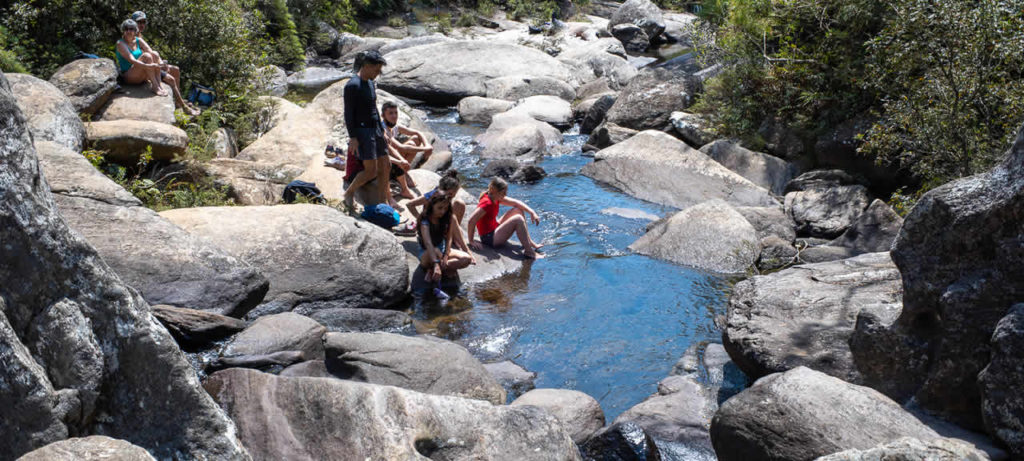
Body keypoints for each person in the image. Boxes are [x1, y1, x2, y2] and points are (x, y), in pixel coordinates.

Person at [119, 13, 198, 115]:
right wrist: (155, 65)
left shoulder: (139, 37)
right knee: (171, 79)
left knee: (175, 69)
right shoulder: (129, 37)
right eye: (139, 22)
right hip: (142, 68)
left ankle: (178, 101)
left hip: (149, 65)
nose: (142, 24)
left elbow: (151, 52)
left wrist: (161, 63)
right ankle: (182, 105)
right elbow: (139, 58)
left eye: (144, 22)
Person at [342, 51, 390, 211]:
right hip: (362, 131)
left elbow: (373, 107)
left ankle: (383, 201)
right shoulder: (352, 85)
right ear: (367, 66)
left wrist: (381, 129)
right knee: (371, 171)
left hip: (375, 129)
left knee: (386, 164)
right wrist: (353, 137)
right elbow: (348, 113)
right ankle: (349, 193)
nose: (378, 74)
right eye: (376, 70)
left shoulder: (370, 83)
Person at [467, 177, 544, 259]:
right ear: (493, 190)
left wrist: (532, 212)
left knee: (518, 209)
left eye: (505, 192)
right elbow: (471, 221)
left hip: (494, 229)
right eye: (503, 193)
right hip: (489, 238)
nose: (505, 195)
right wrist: (471, 241)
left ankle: (529, 242)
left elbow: (516, 203)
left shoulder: (494, 197)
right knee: (518, 219)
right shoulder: (487, 203)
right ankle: (529, 252)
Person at [408, 170, 470, 254]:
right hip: (432, 226)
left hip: (442, 222)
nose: (453, 196)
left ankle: (452, 237)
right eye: (451, 194)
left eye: (454, 194)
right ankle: (456, 242)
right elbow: (410, 204)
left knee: (460, 204)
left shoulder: (446, 196)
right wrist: (420, 219)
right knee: (455, 224)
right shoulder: (432, 195)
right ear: (441, 189)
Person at [418, 192, 475, 283]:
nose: (443, 211)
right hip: (427, 253)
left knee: (466, 259)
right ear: (432, 206)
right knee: (435, 250)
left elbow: (449, 238)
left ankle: (435, 269)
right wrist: (436, 263)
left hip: (442, 250)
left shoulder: (449, 217)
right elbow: (428, 243)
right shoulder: (425, 221)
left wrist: (446, 255)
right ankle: (436, 267)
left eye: (445, 208)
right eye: (439, 208)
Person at [381, 100, 434, 183]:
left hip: (396, 157)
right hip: (387, 161)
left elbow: (418, 132)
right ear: (383, 116)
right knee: (410, 144)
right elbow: (401, 147)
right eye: (390, 113)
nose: (394, 116)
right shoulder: (383, 129)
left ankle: (403, 170)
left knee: (416, 138)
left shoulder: (394, 126)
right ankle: (399, 172)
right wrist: (425, 149)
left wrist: (427, 144)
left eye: (396, 113)